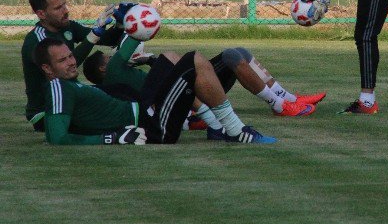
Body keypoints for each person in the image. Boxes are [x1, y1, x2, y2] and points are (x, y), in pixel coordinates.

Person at [34, 37, 276, 144]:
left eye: (70, 56)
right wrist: (111, 139)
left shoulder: (68, 85)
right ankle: (235, 130)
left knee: (171, 58)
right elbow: (57, 138)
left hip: (146, 110)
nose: (71, 62)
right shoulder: (58, 87)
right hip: (153, 126)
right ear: (47, 68)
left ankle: (218, 127)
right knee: (194, 60)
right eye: (63, 60)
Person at [82, 34, 325, 118]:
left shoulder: (122, 73)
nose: (114, 57)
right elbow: (133, 36)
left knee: (238, 52)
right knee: (231, 55)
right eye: (108, 58)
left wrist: (150, 61)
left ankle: (287, 97)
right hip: (184, 96)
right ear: (104, 69)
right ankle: (279, 104)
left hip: (185, 90)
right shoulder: (114, 73)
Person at [20, 0, 126, 131]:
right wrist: (92, 36)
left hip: (72, 97)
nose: (65, 11)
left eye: (64, 5)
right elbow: (62, 69)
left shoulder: (67, 26)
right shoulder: (37, 40)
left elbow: (107, 39)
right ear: (41, 14)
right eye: (58, 8)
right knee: (114, 112)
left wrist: (121, 24)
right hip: (49, 111)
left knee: (123, 91)